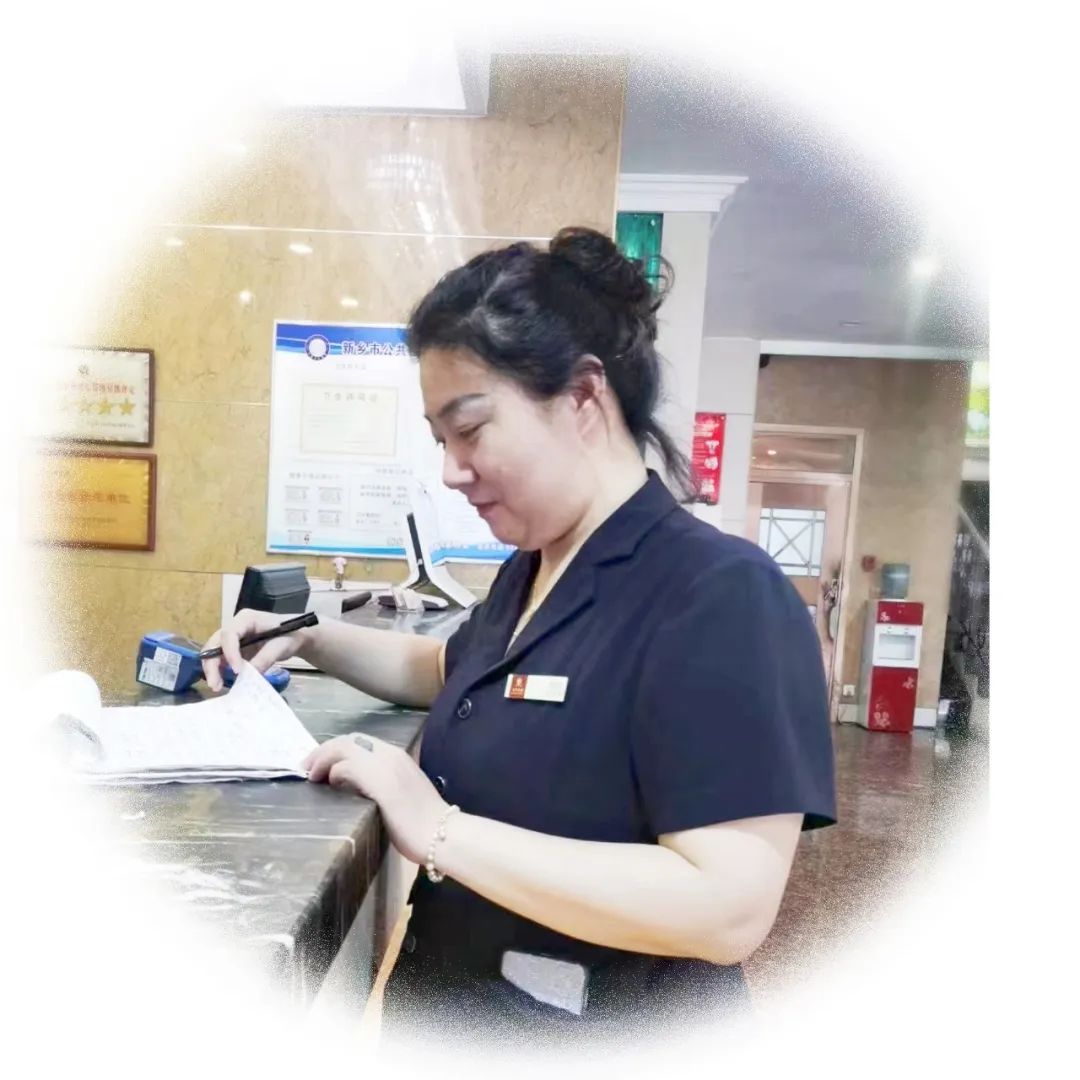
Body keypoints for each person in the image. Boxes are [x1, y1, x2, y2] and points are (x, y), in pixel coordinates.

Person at [201, 227, 836, 1052]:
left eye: (469, 429)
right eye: (440, 441)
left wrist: (437, 829)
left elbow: (728, 908)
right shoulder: (533, 567)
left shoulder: (720, 593)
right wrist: (311, 637)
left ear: (582, 397)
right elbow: (446, 669)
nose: (450, 470)